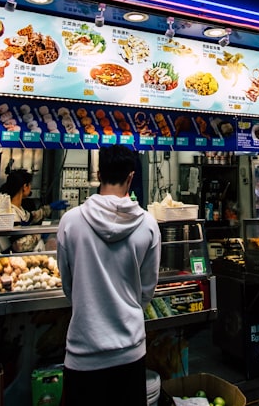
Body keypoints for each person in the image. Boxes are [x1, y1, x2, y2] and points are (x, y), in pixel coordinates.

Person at [57, 145, 161, 406]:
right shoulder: (148, 225)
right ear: (130, 177)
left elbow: (68, 286)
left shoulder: (70, 222)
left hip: (83, 351)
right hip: (130, 350)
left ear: (99, 173)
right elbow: (147, 289)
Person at [0, 169, 45, 253]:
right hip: (4, 257)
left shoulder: (18, 209)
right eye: (29, 185)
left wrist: (49, 209)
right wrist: (39, 234)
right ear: (25, 187)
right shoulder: (9, 212)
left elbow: (31, 217)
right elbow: (18, 245)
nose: (30, 187)